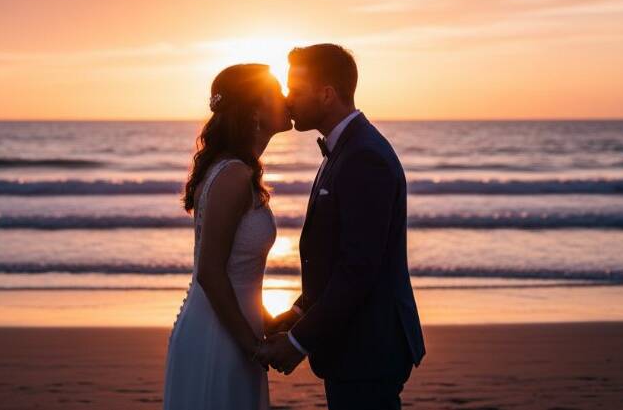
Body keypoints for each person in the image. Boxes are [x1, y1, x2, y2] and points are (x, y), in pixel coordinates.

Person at [260, 43, 426, 410]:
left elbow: (358, 268)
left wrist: (299, 342)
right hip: (353, 344)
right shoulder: (345, 150)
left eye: (295, 90)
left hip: (369, 345)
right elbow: (335, 258)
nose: (288, 100)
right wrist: (300, 311)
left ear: (327, 93)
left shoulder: (364, 156)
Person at [162, 63, 291, 410]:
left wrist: (267, 322)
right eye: (276, 92)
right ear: (254, 112)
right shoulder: (232, 175)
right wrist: (252, 346)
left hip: (232, 329)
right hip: (218, 338)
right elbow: (210, 272)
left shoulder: (237, 170)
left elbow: (237, 272)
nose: (287, 98)